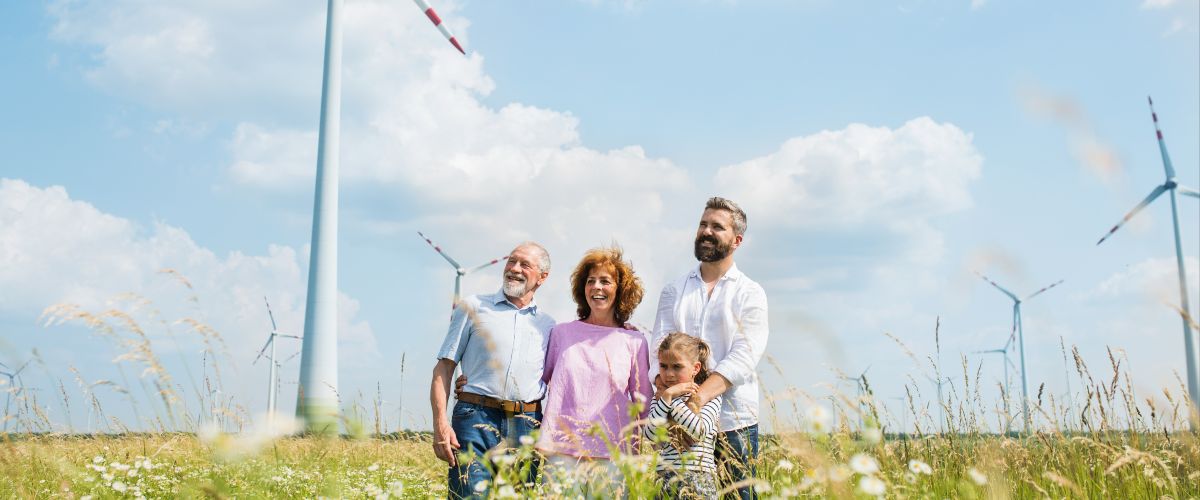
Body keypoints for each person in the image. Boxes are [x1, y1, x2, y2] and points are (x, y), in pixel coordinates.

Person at [651, 197, 769, 500]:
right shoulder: (673, 290)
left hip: (733, 420)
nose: (706, 231)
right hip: (676, 419)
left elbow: (745, 356)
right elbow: (658, 350)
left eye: (717, 227)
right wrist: (670, 401)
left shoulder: (750, 292)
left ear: (737, 240)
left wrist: (699, 399)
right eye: (703, 224)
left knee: (737, 496)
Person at [429, 242, 556, 499]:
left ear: (542, 277)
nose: (514, 269)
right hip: (474, 417)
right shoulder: (473, 306)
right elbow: (444, 367)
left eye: (525, 264)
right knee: (468, 495)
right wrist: (440, 424)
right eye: (512, 261)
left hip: (526, 424)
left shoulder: (549, 325)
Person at [537, 246, 653, 494]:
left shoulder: (634, 341)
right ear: (583, 288)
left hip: (614, 453)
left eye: (605, 281)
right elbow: (537, 380)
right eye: (591, 281)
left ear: (620, 289)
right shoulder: (561, 333)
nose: (597, 287)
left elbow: (643, 400)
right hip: (561, 448)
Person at [643, 332, 722, 500]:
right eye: (663, 366)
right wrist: (667, 397)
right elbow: (650, 434)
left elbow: (698, 431)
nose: (669, 374)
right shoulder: (661, 398)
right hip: (664, 477)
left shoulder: (709, 397)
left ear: (695, 368)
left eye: (677, 367)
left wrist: (673, 398)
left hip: (699, 479)